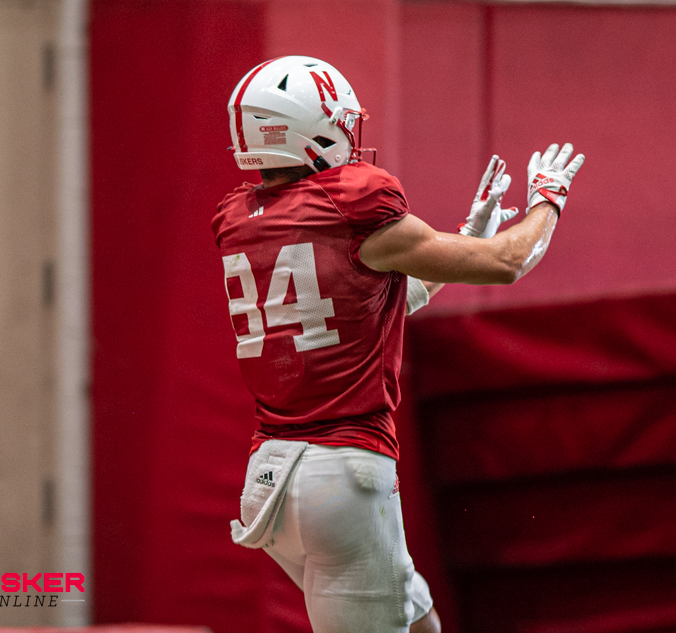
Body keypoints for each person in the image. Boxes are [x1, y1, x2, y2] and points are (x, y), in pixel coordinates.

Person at [212, 56, 584, 633]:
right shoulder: (352, 200)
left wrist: (463, 236)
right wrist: (548, 201)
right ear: (313, 129)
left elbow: (385, 301)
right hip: (344, 474)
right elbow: (509, 263)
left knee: (418, 619)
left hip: (270, 480)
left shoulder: (240, 218)